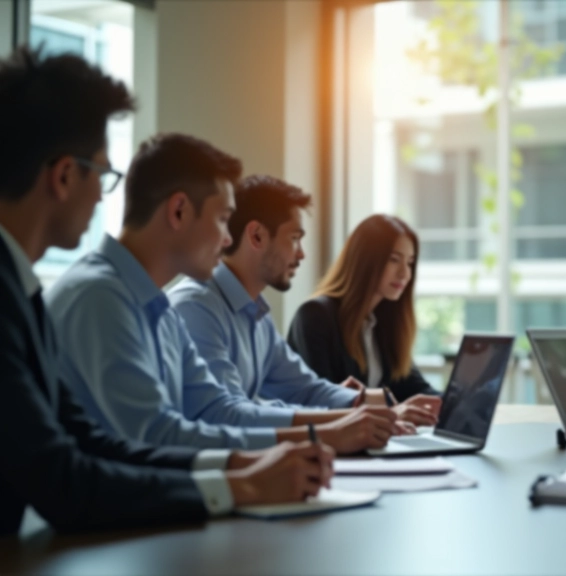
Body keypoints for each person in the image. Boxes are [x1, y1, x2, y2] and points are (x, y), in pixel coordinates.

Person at [0, 46, 332, 533]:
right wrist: (241, 485)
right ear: (66, 175)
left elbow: (88, 441)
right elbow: (64, 475)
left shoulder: (28, 293)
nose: (102, 195)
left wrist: (240, 467)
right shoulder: (89, 295)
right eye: (104, 175)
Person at [46, 133, 397, 455]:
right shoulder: (100, 298)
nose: (228, 239)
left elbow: (213, 409)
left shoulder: (160, 309)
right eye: (222, 220)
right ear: (179, 211)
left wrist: (342, 425)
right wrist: (324, 434)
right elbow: (156, 437)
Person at [168, 175, 436, 428]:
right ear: (257, 236)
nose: (302, 254)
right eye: (294, 238)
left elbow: (306, 388)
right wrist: (352, 419)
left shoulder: (256, 314)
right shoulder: (196, 307)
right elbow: (225, 414)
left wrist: (367, 404)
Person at [288, 215, 442, 407]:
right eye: (394, 260)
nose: (404, 273)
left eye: (410, 263)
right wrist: (394, 412)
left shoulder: (382, 323)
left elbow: (416, 389)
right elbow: (324, 400)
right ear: (365, 260)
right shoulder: (315, 316)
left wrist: (465, 399)